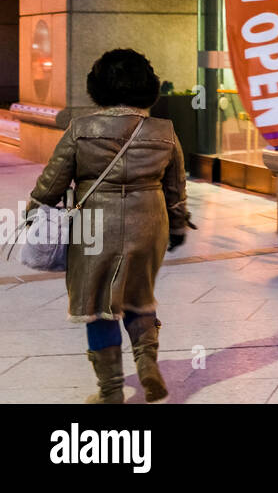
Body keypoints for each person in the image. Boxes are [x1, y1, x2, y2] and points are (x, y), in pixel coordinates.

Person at [25, 49, 190, 403]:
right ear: (148, 86)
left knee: (98, 303)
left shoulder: (82, 129)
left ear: (98, 87)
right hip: (150, 224)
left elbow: (52, 182)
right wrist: (177, 228)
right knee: (139, 295)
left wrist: (33, 210)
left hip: (94, 227)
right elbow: (176, 190)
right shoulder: (164, 131)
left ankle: (111, 391)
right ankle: (147, 364)